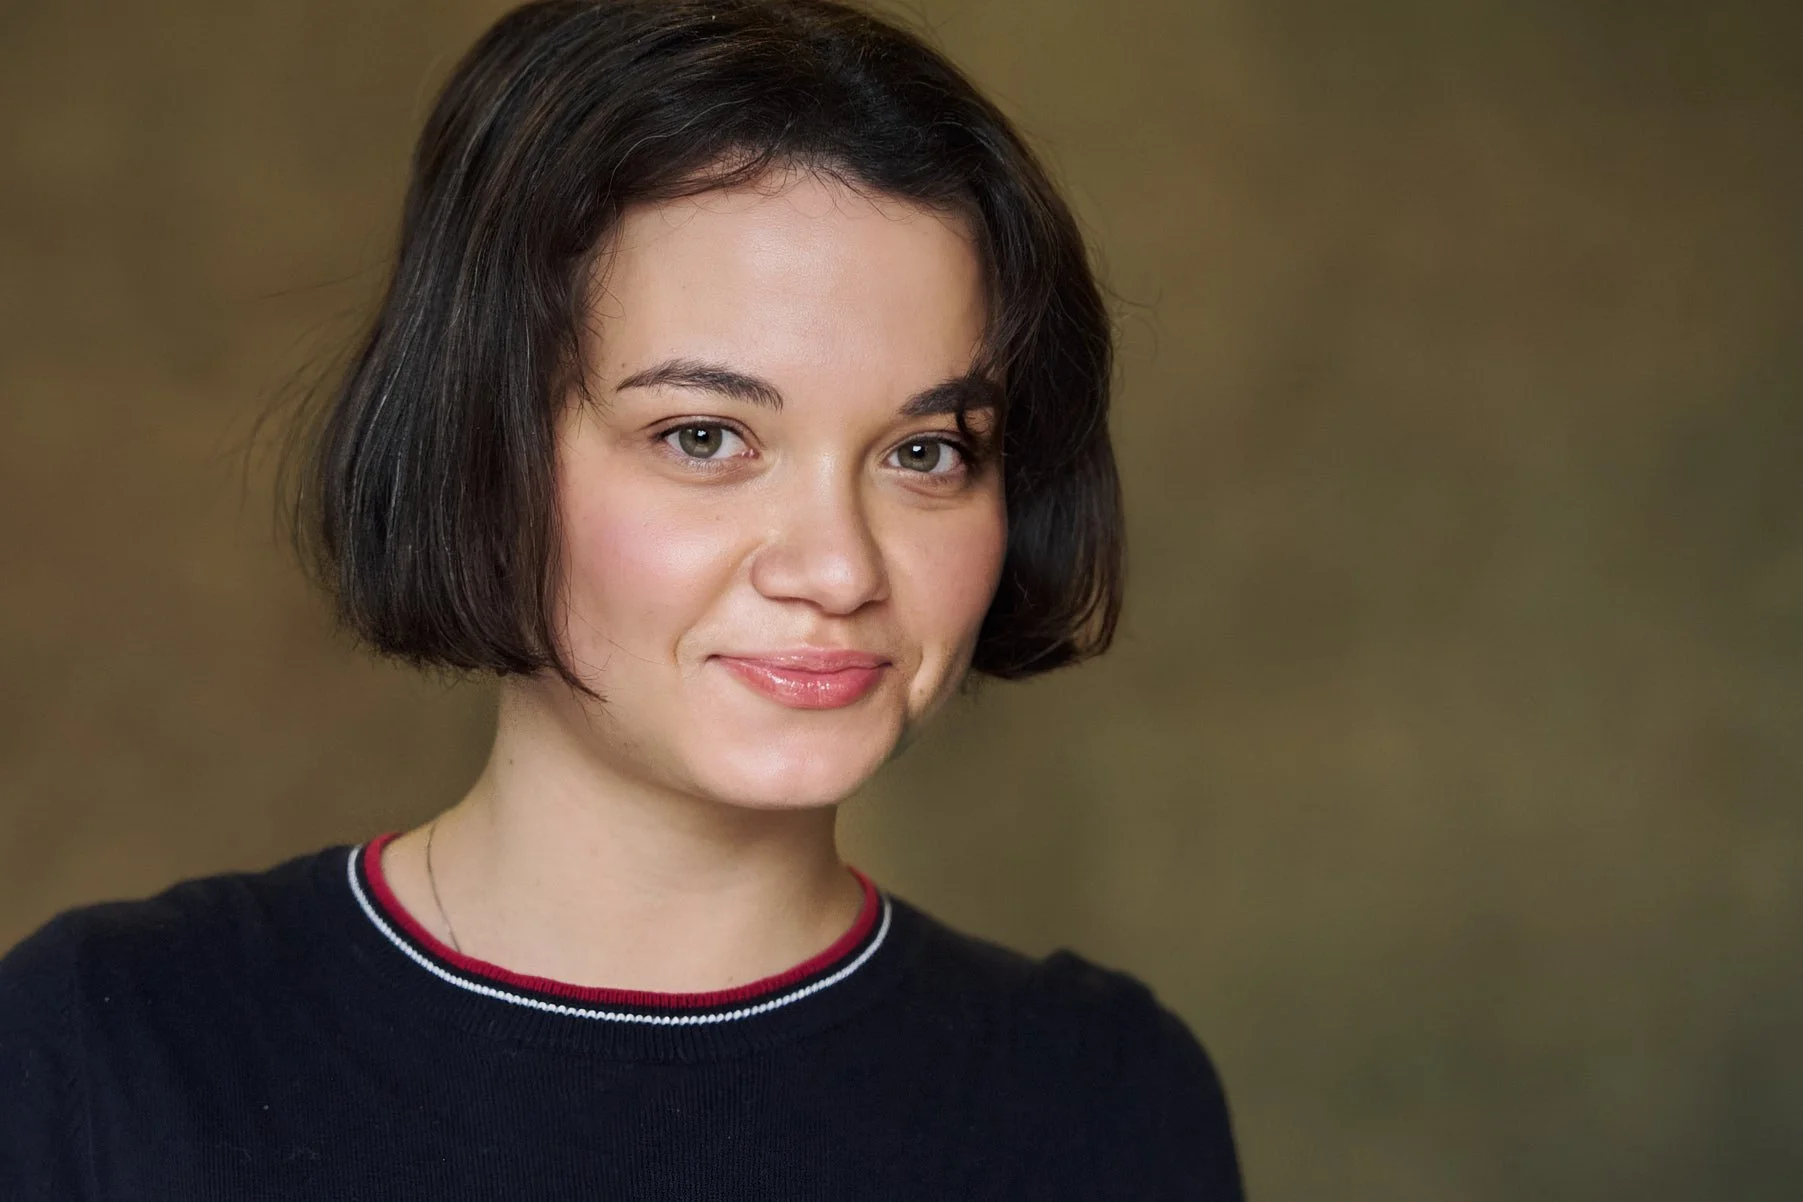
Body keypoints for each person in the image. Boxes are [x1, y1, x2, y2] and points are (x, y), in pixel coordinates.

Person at [0, 1, 1244, 1197]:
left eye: (925, 452)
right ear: (479, 444)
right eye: (705, 436)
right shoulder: (104, 1055)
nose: (840, 567)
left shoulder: (1101, 1098)